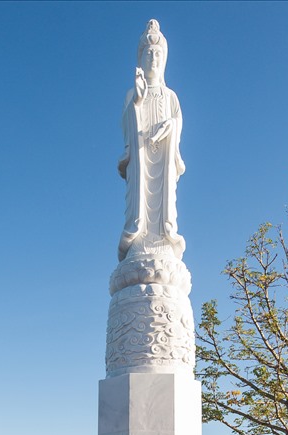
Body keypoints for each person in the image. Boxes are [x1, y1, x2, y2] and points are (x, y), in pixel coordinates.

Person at [117, 19, 186, 262]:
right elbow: (126, 124)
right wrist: (137, 101)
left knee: (165, 202)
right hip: (141, 164)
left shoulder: (170, 96)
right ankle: (138, 243)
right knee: (139, 204)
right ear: (140, 59)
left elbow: (178, 120)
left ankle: (163, 242)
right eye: (148, 54)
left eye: (158, 54)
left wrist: (172, 126)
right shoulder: (132, 94)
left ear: (164, 59)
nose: (153, 59)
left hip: (163, 162)